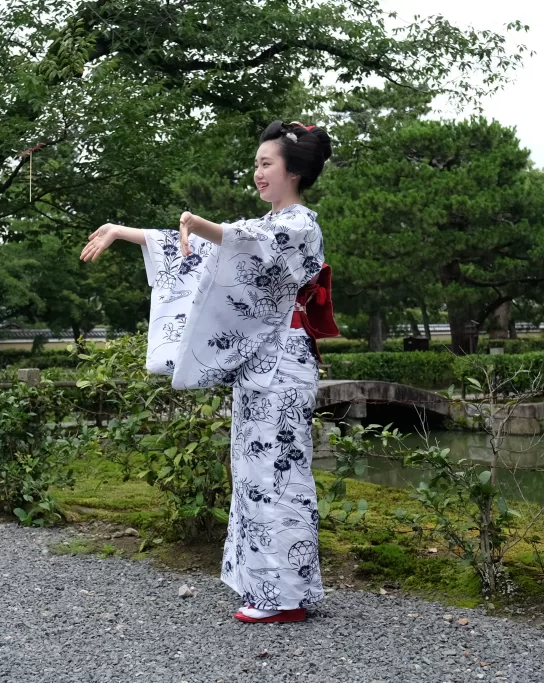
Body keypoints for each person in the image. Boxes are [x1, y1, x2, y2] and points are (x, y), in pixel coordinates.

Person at [80, 120, 338, 624]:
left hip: (284, 359)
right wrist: (121, 231)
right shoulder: (265, 225)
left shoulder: (300, 224)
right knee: (255, 472)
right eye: (258, 163)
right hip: (262, 363)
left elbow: (235, 242)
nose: (258, 172)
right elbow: (207, 248)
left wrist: (201, 227)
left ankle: (283, 596)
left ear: (294, 170)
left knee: (277, 472)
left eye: (267, 163)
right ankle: (273, 587)